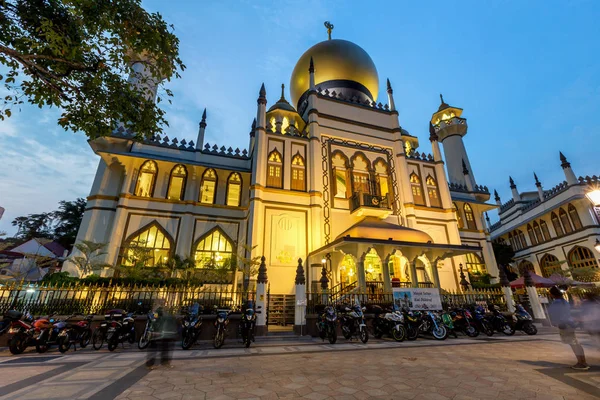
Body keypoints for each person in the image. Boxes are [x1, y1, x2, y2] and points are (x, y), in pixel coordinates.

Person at [547, 286, 589, 370]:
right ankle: (582, 361)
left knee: (574, 344)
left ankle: (582, 363)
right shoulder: (564, 301)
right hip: (570, 323)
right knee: (575, 343)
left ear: (553, 294)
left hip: (564, 324)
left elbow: (555, 314)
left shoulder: (556, 303)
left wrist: (556, 322)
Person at [146, 301, 177, 369]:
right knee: (155, 349)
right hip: (159, 333)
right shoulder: (158, 312)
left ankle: (164, 362)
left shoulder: (167, 313)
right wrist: (154, 329)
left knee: (165, 349)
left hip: (165, 333)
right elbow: (155, 320)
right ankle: (150, 364)